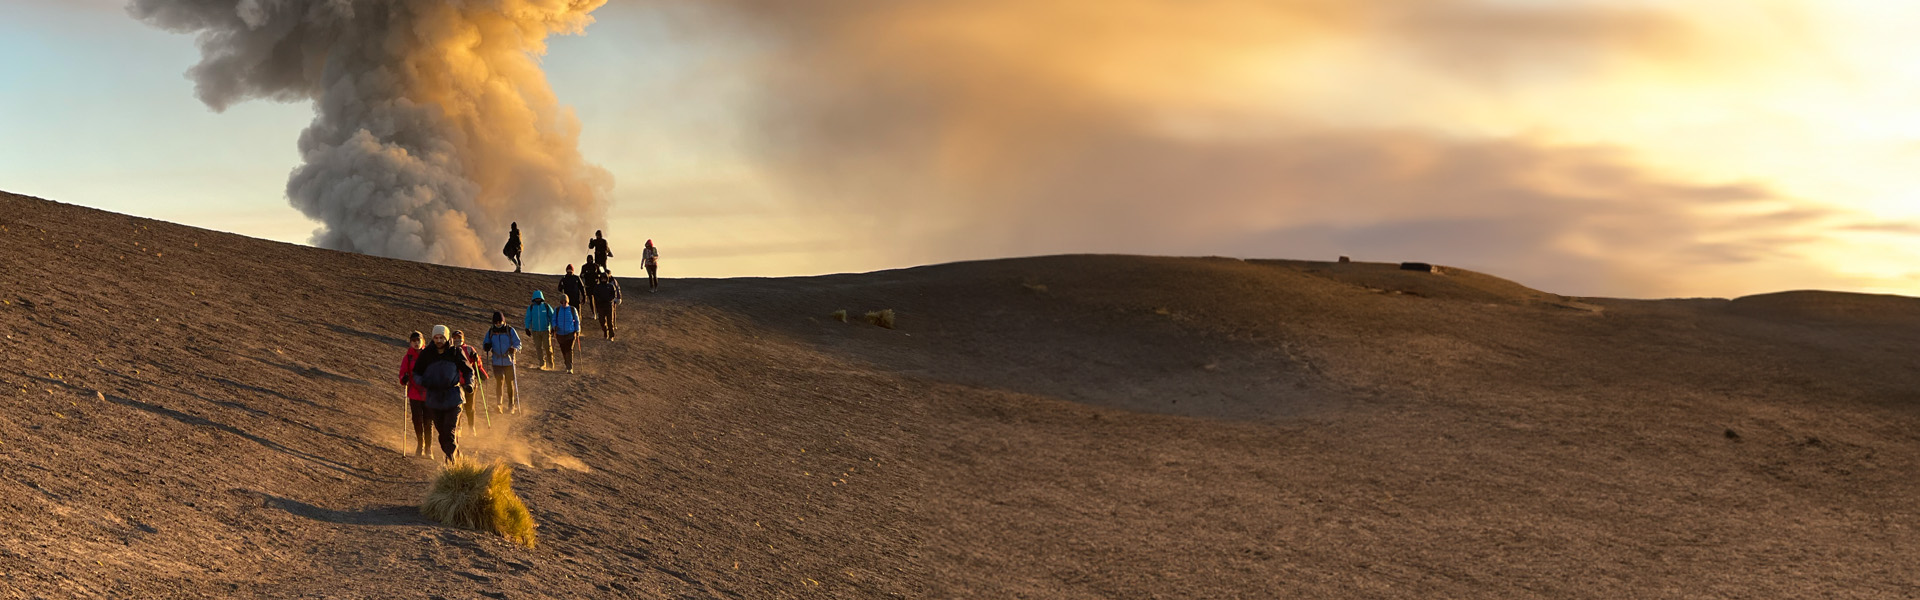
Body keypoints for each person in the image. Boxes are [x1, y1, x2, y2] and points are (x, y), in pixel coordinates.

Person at [412, 325, 474, 463]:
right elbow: (416, 372)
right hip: (434, 399)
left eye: (441, 337)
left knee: (449, 431)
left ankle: (452, 461)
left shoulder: (456, 352)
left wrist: (469, 384)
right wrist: (423, 381)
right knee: (442, 433)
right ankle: (455, 456)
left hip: (453, 396)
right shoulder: (427, 354)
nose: (439, 340)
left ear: (447, 338)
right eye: (436, 338)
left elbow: (468, 370)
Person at [482, 311, 522, 415]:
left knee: (510, 383)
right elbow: (486, 342)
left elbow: (518, 343)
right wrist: (486, 346)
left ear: (503, 321)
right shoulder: (491, 331)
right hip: (496, 361)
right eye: (496, 322)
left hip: (509, 361)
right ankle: (499, 405)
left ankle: (511, 405)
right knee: (499, 382)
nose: (498, 324)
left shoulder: (510, 330)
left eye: (500, 322)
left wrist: (515, 349)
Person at [452, 330, 490, 434]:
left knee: (469, 406)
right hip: (456, 382)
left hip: (469, 382)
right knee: (457, 407)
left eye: (459, 338)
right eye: (455, 338)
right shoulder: (451, 350)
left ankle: (471, 426)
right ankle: (458, 427)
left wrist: (476, 359)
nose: (457, 340)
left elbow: (478, 366)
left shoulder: (469, 349)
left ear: (463, 339)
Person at [398, 331, 429, 456]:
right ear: (411, 343)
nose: (416, 343)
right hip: (414, 392)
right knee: (417, 419)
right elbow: (403, 371)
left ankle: (428, 447)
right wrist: (403, 378)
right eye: (414, 341)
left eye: (418, 340)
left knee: (428, 420)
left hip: (428, 392)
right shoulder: (408, 357)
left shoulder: (428, 355)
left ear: (423, 342)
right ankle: (420, 445)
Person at [523, 290, 556, 370]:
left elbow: (552, 317)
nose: (538, 300)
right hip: (535, 331)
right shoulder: (531, 308)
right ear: (534, 299)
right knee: (538, 348)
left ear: (541, 298)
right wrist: (527, 328)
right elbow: (528, 318)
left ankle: (551, 363)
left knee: (547, 347)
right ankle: (542, 363)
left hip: (545, 330)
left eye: (539, 298)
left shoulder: (546, 306)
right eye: (536, 298)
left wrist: (553, 327)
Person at [552, 293, 582, 374]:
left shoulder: (572, 309)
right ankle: (567, 363)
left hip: (570, 333)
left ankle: (569, 367)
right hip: (560, 334)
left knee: (569, 349)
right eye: (562, 302)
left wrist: (577, 330)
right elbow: (553, 320)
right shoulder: (557, 309)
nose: (563, 304)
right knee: (563, 350)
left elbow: (577, 320)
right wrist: (554, 326)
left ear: (567, 301)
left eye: (565, 302)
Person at [591, 268, 622, 340]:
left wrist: (609, 300)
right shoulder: (597, 286)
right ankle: (605, 331)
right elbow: (595, 295)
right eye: (602, 278)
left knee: (610, 322)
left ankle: (611, 336)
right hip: (600, 306)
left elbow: (613, 294)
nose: (603, 280)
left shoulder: (610, 286)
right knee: (602, 321)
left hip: (609, 306)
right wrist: (599, 300)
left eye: (605, 278)